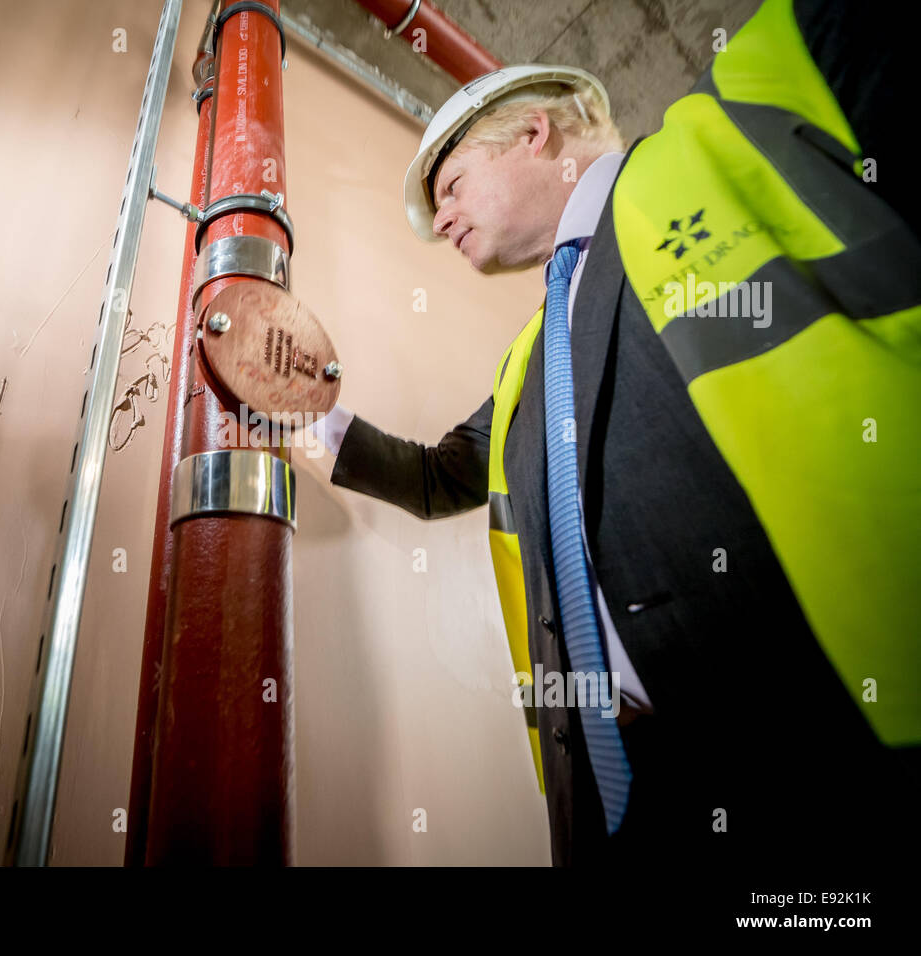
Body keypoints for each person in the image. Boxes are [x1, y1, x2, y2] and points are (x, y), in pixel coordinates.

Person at [313, 0, 920, 867]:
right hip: (624, 802)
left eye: (449, 187)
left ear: (532, 133)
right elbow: (435, 476)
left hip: (835, 751)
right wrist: (301, 411)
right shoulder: (525, 366)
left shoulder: (739, 123)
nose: (440, 222)